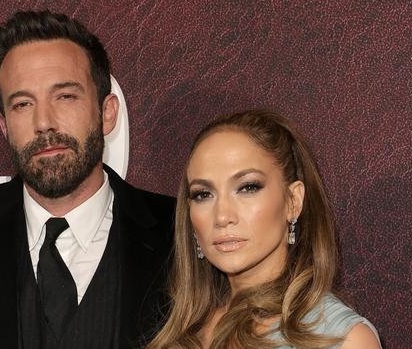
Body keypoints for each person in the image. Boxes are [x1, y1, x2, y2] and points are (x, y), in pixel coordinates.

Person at [0, 10, 174, 349]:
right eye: (22, 104)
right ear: (5, 126)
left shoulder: (179, 233)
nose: (44, 123)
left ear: (106, 112)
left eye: (65, 96)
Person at [147, 110, 381, 349]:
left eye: (248, 187)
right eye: (203, 194)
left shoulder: (342, 339)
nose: (222, 216)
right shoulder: (182, 332)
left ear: (293, 201)